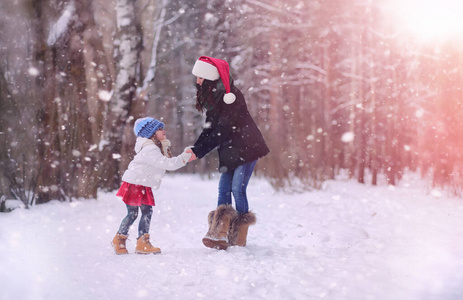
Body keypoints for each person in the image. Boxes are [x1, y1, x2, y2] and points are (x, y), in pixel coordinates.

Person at [189, 56, 270, 250]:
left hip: (247, 147)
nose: (197, 81)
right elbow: (210, 129)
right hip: (229, 150)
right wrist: (195, 149)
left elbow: (222, 129)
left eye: (200, 77)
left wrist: (200, 151)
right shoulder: (214, 99)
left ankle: (238, 236)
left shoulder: (231, 96)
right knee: (223, 189)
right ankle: (218, 233)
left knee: (237, 189)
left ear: (209, 77)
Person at [111, 117, 193, 255]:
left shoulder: (157, 147)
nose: (163, 131)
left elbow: (168, 160)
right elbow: (169, 164)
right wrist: (185, 157)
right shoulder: (150, 149)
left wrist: (185, 155)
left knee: (147, 212)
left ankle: (142, 242)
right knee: (132, 214)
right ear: (151, 133)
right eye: (159, 129)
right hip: (134, 183)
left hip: (143, 184)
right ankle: (119, 239)